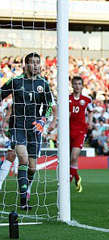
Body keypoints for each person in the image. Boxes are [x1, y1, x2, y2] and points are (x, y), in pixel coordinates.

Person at [0, 52, 57, 210]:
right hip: (17, 126)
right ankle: (24, 199)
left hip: (34, 128)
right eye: (32, 62)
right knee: (23, 159)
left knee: (32, 167)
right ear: (26, 65)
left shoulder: (43, 84)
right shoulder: (16, 81)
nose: (36, 65)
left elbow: (48, 106)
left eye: (38, 62)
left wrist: (43, 120)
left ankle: (27, 188)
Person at [69, 76, 94, 193]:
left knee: (74, 157)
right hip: (68, 131)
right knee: (68, 159)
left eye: (79, 84)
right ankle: (77, 178)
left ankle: (66, 183)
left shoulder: (87, 99)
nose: (77, 86)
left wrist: (90, 121)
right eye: (75, 84)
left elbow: (91, 111)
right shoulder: (67, 98)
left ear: (82, 86)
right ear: (72, 85)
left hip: (80, 131)